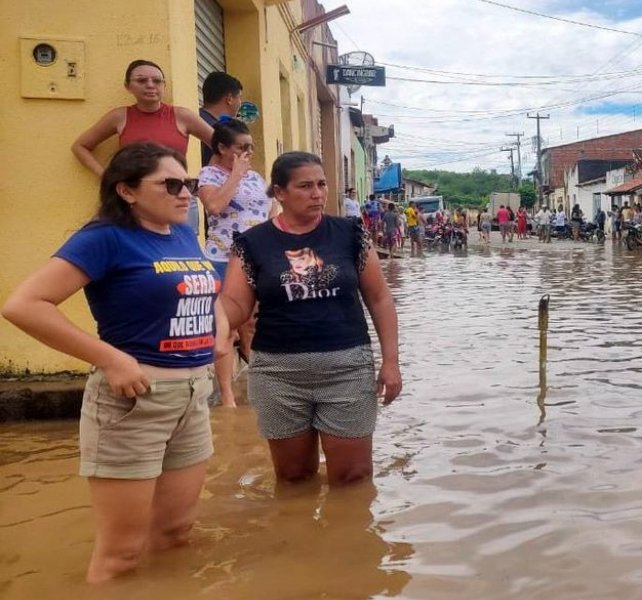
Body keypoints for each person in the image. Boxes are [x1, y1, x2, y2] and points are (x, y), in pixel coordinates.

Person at [2, 143, 225, 583]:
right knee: (120, 555)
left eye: (190, 184)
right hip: (133, 401)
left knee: (177, 534)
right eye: (171, 184)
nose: (186, 194)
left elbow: (204, 283)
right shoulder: (103, 237)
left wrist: (218, 328)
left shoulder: (180, 230)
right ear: (126, 191)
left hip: (193, 396)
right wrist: (111, 359)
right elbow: (24, 305)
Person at [219, 152, 401, 489]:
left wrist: (391, 362)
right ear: (280, 193)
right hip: (278, 374)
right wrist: (212, 319)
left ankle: (348, 540)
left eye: (321, 184)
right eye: (305, 186)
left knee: (353, 478)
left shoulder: (350, 234)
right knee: (293, 478)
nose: (317, 193)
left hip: (346, 369)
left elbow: (380, 298)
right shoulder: (252, 243)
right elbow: (235, 304)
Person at [72, 60, 213, 231]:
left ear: (164, 85)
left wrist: (210, 180)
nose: (150, 85)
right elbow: (80, 146)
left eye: (157, 81)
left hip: (177, 196)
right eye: (141, 80)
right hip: (136, 200)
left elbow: (222, 146)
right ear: (128, 86)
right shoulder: (120, 117)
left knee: (182, 252)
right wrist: (107, 176)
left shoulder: (182, 116)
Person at [197, 119, 272, 408]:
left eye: (250, 147)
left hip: (255, 260)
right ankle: (228, 397)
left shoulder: (255, 177)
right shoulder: (209, 175)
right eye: (241, 148)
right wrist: (235, 175)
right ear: (221, 147)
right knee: (225, 328)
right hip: (222, 259)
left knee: (254, 324)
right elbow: (214, 206)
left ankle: (261, 384)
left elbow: (269, 210)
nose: (247, 153)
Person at [198, 71, 243, 166]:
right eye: (239, 97)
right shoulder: (221, 131)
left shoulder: (194, 120)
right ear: (229, 99)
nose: (240, 103)